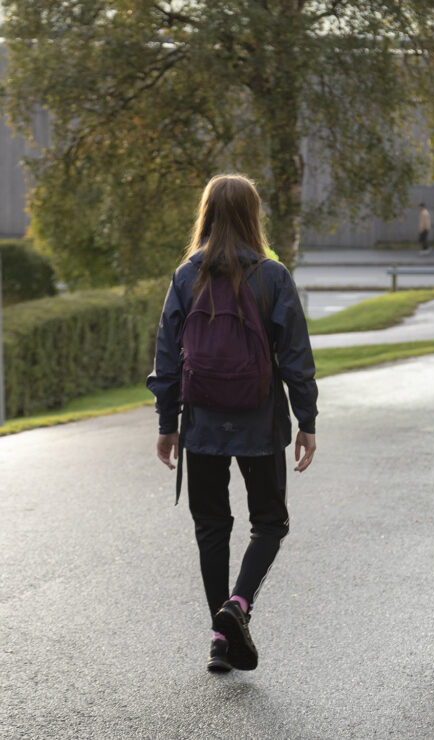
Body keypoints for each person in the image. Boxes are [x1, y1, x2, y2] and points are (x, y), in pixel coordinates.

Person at [147, 174, 319, 673]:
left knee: (211, 527)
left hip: (200, 422)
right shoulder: (272, 276)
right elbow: (296, 357)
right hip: (260, 422)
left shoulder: (186, 276)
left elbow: (168, 357)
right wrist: (306, 420)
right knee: (269, 522)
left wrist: (166, 421)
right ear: (252, 214)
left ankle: (220, 641)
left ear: (206, 213)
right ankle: (237, 606)